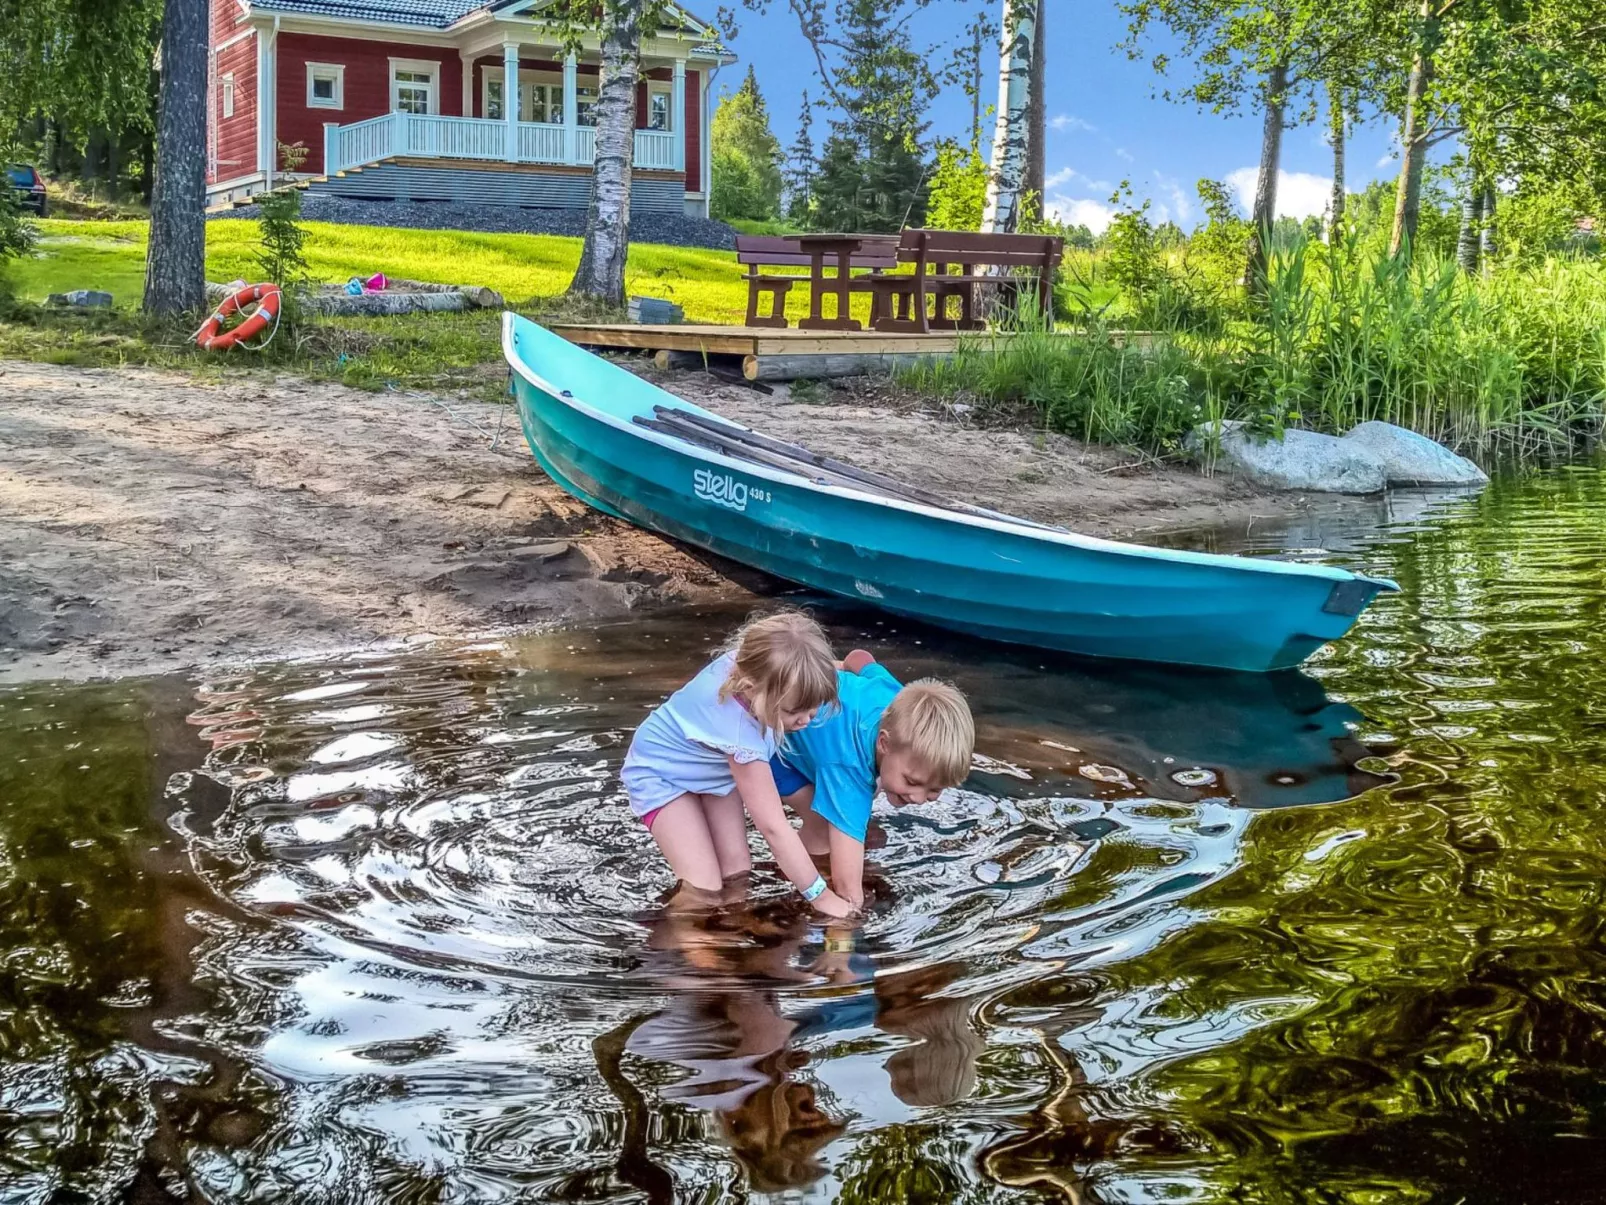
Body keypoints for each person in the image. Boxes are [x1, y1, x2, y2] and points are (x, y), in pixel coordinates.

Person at [621, 611, 855, 917]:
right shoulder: (742, 737)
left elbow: (803, 667)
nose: (806, 720)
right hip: (661, 774)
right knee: (704, 887)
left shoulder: (758, 664)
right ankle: (680, 949)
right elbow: (774, 828)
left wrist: (850, 669)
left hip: (711, 771)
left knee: (738, 873)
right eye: (796, 711)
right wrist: (819, 896)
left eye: (814, 708)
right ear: (753, 687)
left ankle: (734, 934)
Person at [773, 649, 974, 909]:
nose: (918, 798)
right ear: (884, 742)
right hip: (778, 746)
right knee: (822, 824)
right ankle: (789, 884)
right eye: (912, 782)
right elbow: (848, 890)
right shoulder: (849, 766)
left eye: (935, 790)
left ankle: (846, 836)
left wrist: (839, 666)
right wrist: (847, 925)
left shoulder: (897, 698)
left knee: (864, 799)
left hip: (828, 747)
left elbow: (860, 658)